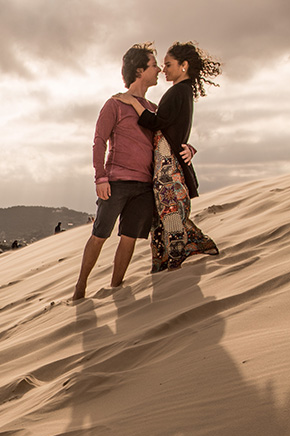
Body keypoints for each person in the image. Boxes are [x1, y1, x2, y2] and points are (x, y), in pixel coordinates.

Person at [114, 41, 221, 273]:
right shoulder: (182, 91)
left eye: (169, 64)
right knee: (164, 212)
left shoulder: (178, 91)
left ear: (184, 66)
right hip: (166, 162)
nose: (164, 70)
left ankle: (182, 250)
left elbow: (157, 123)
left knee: (169, 211)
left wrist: (132, 102)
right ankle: (164, 258)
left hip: (168, 165)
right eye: (161, 65)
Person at [73, 42, 166, 301]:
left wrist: (189, 147)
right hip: (116, 182)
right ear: (139, 70)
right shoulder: (114, 104)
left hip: (144, 185)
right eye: (153, 65)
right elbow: (99, 141)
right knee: (100, 234)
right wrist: (100, 177)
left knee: (130, 238)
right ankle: (80, 287)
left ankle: (116, 289)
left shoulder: (154, 109)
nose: (158, 69)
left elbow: (168, 136)